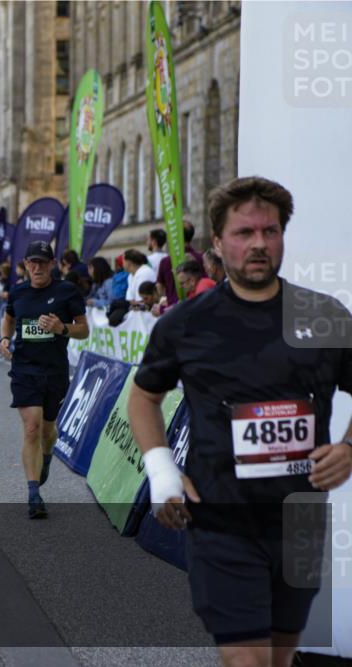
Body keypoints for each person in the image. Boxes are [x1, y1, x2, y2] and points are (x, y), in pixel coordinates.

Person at [128, 176, 352, 667]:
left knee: (277, 658)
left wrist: (349, 448)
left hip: (299, 523)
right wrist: (163, 473)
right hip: (221, 521)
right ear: (217, 242)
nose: (258, 244)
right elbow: (143, 399)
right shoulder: (185, 325)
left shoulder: (325, 316)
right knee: (246, 661)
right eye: (244, 233)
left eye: (269, 232)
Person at [0, 241, 88, 519]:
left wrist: (62, 328)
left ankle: (46, 456)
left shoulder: (66, 291)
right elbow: (9, 318)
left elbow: (84, 330)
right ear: (25, 265)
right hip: (25, 369)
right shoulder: (18, 292)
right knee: (32, 428)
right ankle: (33, 493)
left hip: (54, 371)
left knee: (48, 431)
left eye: (42, 262)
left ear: (52, 265)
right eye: (32, 262)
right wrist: (4, 338)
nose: (37, 267)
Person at [155, 220, 206, 306]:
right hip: (197, 305)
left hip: (172, 308)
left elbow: (159, 287)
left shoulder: (166, 261)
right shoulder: (202, 258)